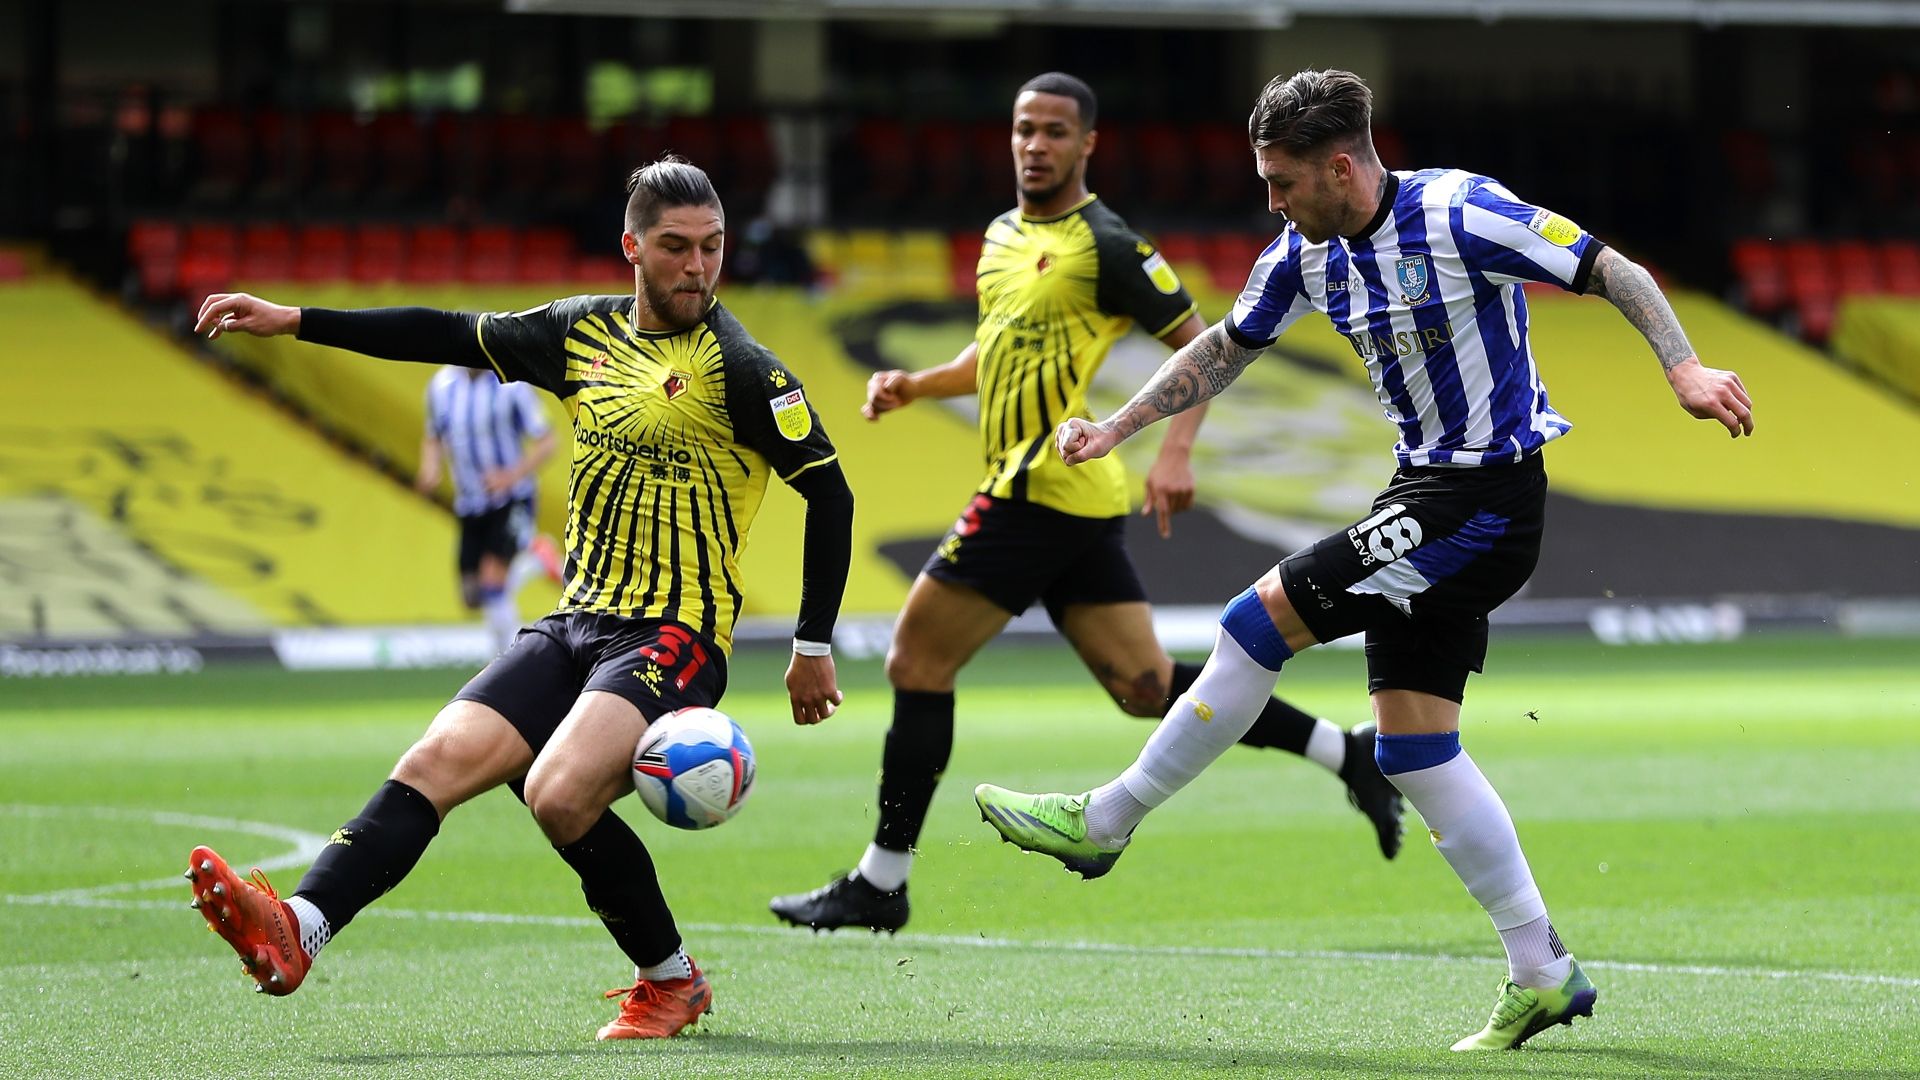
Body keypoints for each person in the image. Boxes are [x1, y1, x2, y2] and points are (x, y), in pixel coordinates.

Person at [974, 69, 1754, 1051]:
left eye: (1285, 181)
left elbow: (1613, 269)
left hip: (1483, 501)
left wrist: (1682, 365)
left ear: (1342, 166)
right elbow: (1224, 347)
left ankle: (1107, 821)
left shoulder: (1463, 212)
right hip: (1421, 494)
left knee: (1254, 624)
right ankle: (1543, 972)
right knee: (1414, 749)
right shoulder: (1305, 253)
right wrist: (1122, 426)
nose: (1273, 202)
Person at [181, 157, 854, 1040]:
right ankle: (298, 928)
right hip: (575, 621)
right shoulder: (581, 333)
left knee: (557, 795)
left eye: (713, 248)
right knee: (433, 764)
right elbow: (448, 334)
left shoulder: (745, 370)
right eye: (678, 247)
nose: (699, 267)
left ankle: (670, 981)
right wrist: (298, 321)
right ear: (633, 247)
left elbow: (830, 495)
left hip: (675, 634)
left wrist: (811, 645)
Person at [769, 72, 1403, 937]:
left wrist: (1176, 451)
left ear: (1087, 145)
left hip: (1036, 490)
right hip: (1070, 505)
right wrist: (916, 384)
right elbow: (994, 351)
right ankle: (1349, 754)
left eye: (1056, 131)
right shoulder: (1000, 237)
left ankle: (881, 880)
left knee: (916, 662)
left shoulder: (1108, 244)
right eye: (1025, 129)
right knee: (1145, 686)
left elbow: (1202, 344)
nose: (1037, 145)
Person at [415, 364, 564, 654]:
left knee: (493, 580)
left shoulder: (513, 387)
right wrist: (430, 468)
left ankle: (507, 662)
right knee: (472, 595)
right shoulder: (441, 385)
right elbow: (433, 434)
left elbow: (547, 441)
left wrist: (511, 475)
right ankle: (535, 555)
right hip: (470, 503)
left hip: (511, 498)